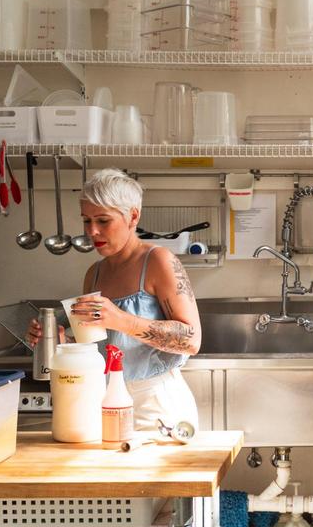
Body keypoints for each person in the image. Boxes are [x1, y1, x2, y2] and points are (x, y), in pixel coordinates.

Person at [26, 168, 201, 431]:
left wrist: (121, 320)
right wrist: (62, 343)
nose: (92, 231)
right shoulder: (94, 274)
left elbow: (191, 339)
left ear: (133, 216)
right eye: (86, 220)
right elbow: (94, 349)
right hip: (103, 399)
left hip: (155, 403)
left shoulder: (159, 260)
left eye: (103, 221)